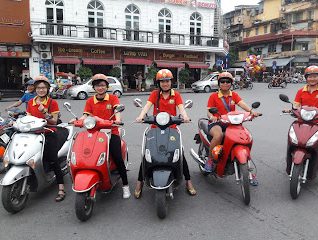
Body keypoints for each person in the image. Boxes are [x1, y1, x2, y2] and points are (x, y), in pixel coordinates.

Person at [134, 69, 196, 198]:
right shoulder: (155, 94)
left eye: (167, 81)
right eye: (162, 81)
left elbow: (181, 108)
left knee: (180, 154)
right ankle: (139, 182)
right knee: (147, 154)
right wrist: (140, 116)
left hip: (172, 128)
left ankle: (188, 182)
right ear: (159, 83)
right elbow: (147, 106)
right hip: (155, 128)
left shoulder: (176, 95)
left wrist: (185, 117)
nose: (165, 84)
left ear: (171, 82)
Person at [73, 74, 131, 198]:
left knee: (117, 158)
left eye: (103, 85)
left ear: (107, 87)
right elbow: (85, 116)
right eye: (98, 85)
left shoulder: (113, 98)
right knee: (85, 153)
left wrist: (118, 120)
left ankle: (125, 186)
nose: (100, 88)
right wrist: (77, 120)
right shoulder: (90, 101)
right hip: (94, 133)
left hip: (111, 132)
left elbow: (117, 111)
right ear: (94, 87)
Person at [205, 72, 260, 185]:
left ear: (231, 83)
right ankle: (210, 160)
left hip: (231, 122)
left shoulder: (233, 95)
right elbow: (209, 111)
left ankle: (248, 171)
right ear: (219, 83)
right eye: (223, 82)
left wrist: (251, 112)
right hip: (218, 122)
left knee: (245, 137)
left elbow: (242, 104)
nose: (225, 84)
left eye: (228, 82)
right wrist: (212, 117)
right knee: (219, 135)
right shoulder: (214, 96)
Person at [289, 65, 318, 188]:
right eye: (310, 76)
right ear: (306, 77)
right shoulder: (301, 91)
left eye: (315, 76)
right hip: (302, 122)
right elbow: (296, 105)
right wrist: (291, 109)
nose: (312, 79)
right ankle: (291, 164)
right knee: (294, 142)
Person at [26, 75, 66, 201]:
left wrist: (44, 111)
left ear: (48, 89)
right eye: (38, 88)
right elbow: (28, 118)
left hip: (49, 133)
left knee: (53, 159)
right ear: (35, 89)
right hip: (33, 134)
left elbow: (54, 121)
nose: (41, 90)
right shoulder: (30, 102)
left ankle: (61, 188)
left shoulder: (52, 102)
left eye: (43, 88)